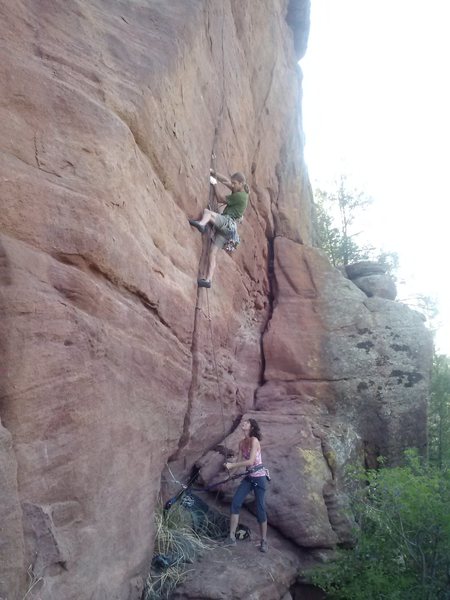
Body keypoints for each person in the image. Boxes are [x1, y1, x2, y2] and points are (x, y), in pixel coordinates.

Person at [188, 169, 249, 288]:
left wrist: (214, 184)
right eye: (233, 183)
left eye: (235, 183)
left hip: (227, 222)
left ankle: (201, 224)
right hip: (228, 231)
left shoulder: (240, 196)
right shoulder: (241, 191)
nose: (232, 185)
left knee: (207, 212)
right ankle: (208, 280)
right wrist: (214, 173)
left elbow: (220, 199)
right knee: (213, 252)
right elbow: (226, 181)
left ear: (241, 184)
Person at [223, 418, 268, 552]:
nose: (244, 423)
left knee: (260, 509)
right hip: (249, 477)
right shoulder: (242, 443)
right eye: (244, 422)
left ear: (252, 427)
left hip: (259, 478)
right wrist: (230, 473)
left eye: (247, 423)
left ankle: (264, 541)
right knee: (235, 503)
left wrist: (232, 465)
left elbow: (250, 461)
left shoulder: (254, 441)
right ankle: (231, 538)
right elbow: (239, 461)